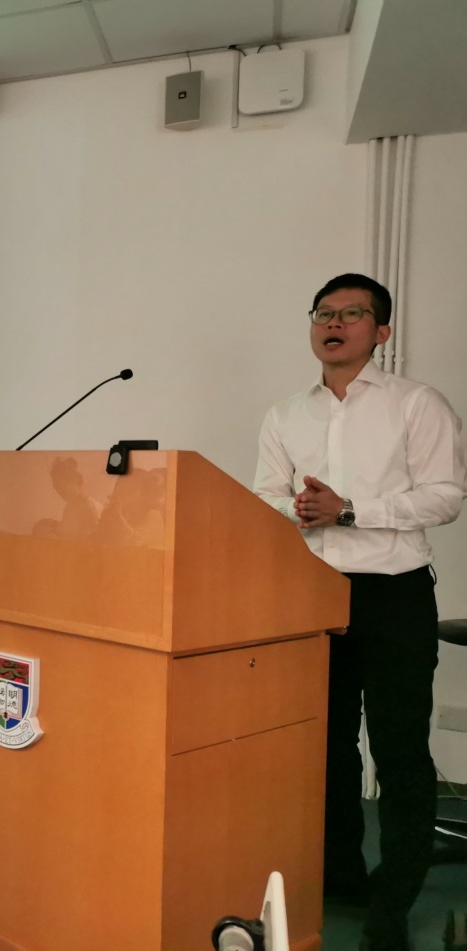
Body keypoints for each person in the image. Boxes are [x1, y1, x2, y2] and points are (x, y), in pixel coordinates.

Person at [253, 274, 466, 951]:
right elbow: (264, 496)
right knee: (326, 747)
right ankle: (342, 877)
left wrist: (350, 510)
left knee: (398, 750)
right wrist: (296, 508)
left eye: (352, 313)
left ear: (382, 331)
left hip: (393, 593)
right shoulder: (286, 413)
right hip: (312, 593)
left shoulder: (416, 403)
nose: (334, 323)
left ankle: (393, 899)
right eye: (324, 312)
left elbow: (446, 495)